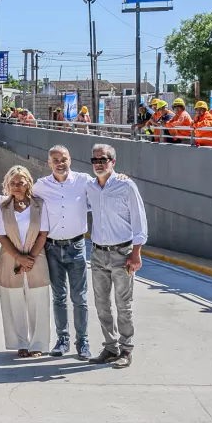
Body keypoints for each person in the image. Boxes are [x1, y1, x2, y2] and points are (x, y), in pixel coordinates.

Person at [86, 144, 147, 369]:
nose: (99, 163)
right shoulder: (89, 187)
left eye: (103, 159)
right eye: (95, 160)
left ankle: (126, 349)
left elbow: (140, 221)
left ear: (113, 161)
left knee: (123, 305)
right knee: (101, 304)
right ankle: (110, 347)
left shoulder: (126, 185)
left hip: (122, 254)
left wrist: (136, 253)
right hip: (98, 253)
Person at [33, 145, 92, 360]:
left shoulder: (84, 180)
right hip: (52, 248)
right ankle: (62, 340)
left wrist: (120, 177)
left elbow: (105, 185)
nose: (60, 163)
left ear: (70, 160)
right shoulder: (41, 186)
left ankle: (83, 342)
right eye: (55, 160)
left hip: (76, 247)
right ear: (49, 163)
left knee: (80, 298)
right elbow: (19, 196)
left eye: (64, 159)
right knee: (59, 297)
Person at [0, 166, 51, 358]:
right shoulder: (3, 208)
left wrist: (30, 259)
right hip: (10, 259)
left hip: (37, 258)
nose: (17, 186)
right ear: (8, 185)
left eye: (21, 182)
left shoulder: (40, 205)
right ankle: (21, 343)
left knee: (38, 301)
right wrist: (19, 258)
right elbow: (2, 236)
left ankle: (38, 344)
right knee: (15, 302)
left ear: (28, 183)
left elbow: (43, 235)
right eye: (13, 183)